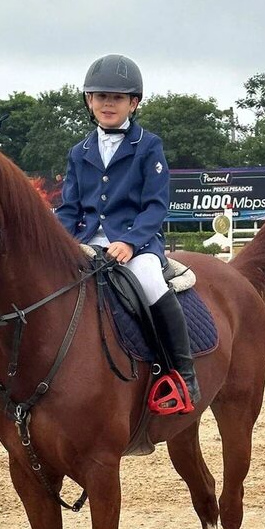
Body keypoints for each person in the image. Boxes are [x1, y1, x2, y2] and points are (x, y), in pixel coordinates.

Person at [55, 54, 200, 406]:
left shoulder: (148, 145)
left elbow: (155, 205)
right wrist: (56, 243)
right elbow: (70, 209)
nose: (108, 103)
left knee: (150, 282)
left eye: (117, 97)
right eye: (100, 96)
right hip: (86, 242)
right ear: (89, 101)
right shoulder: (79, 151)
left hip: (137, 242)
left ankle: (183, 375)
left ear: (133, 103)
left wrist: (131, 242)